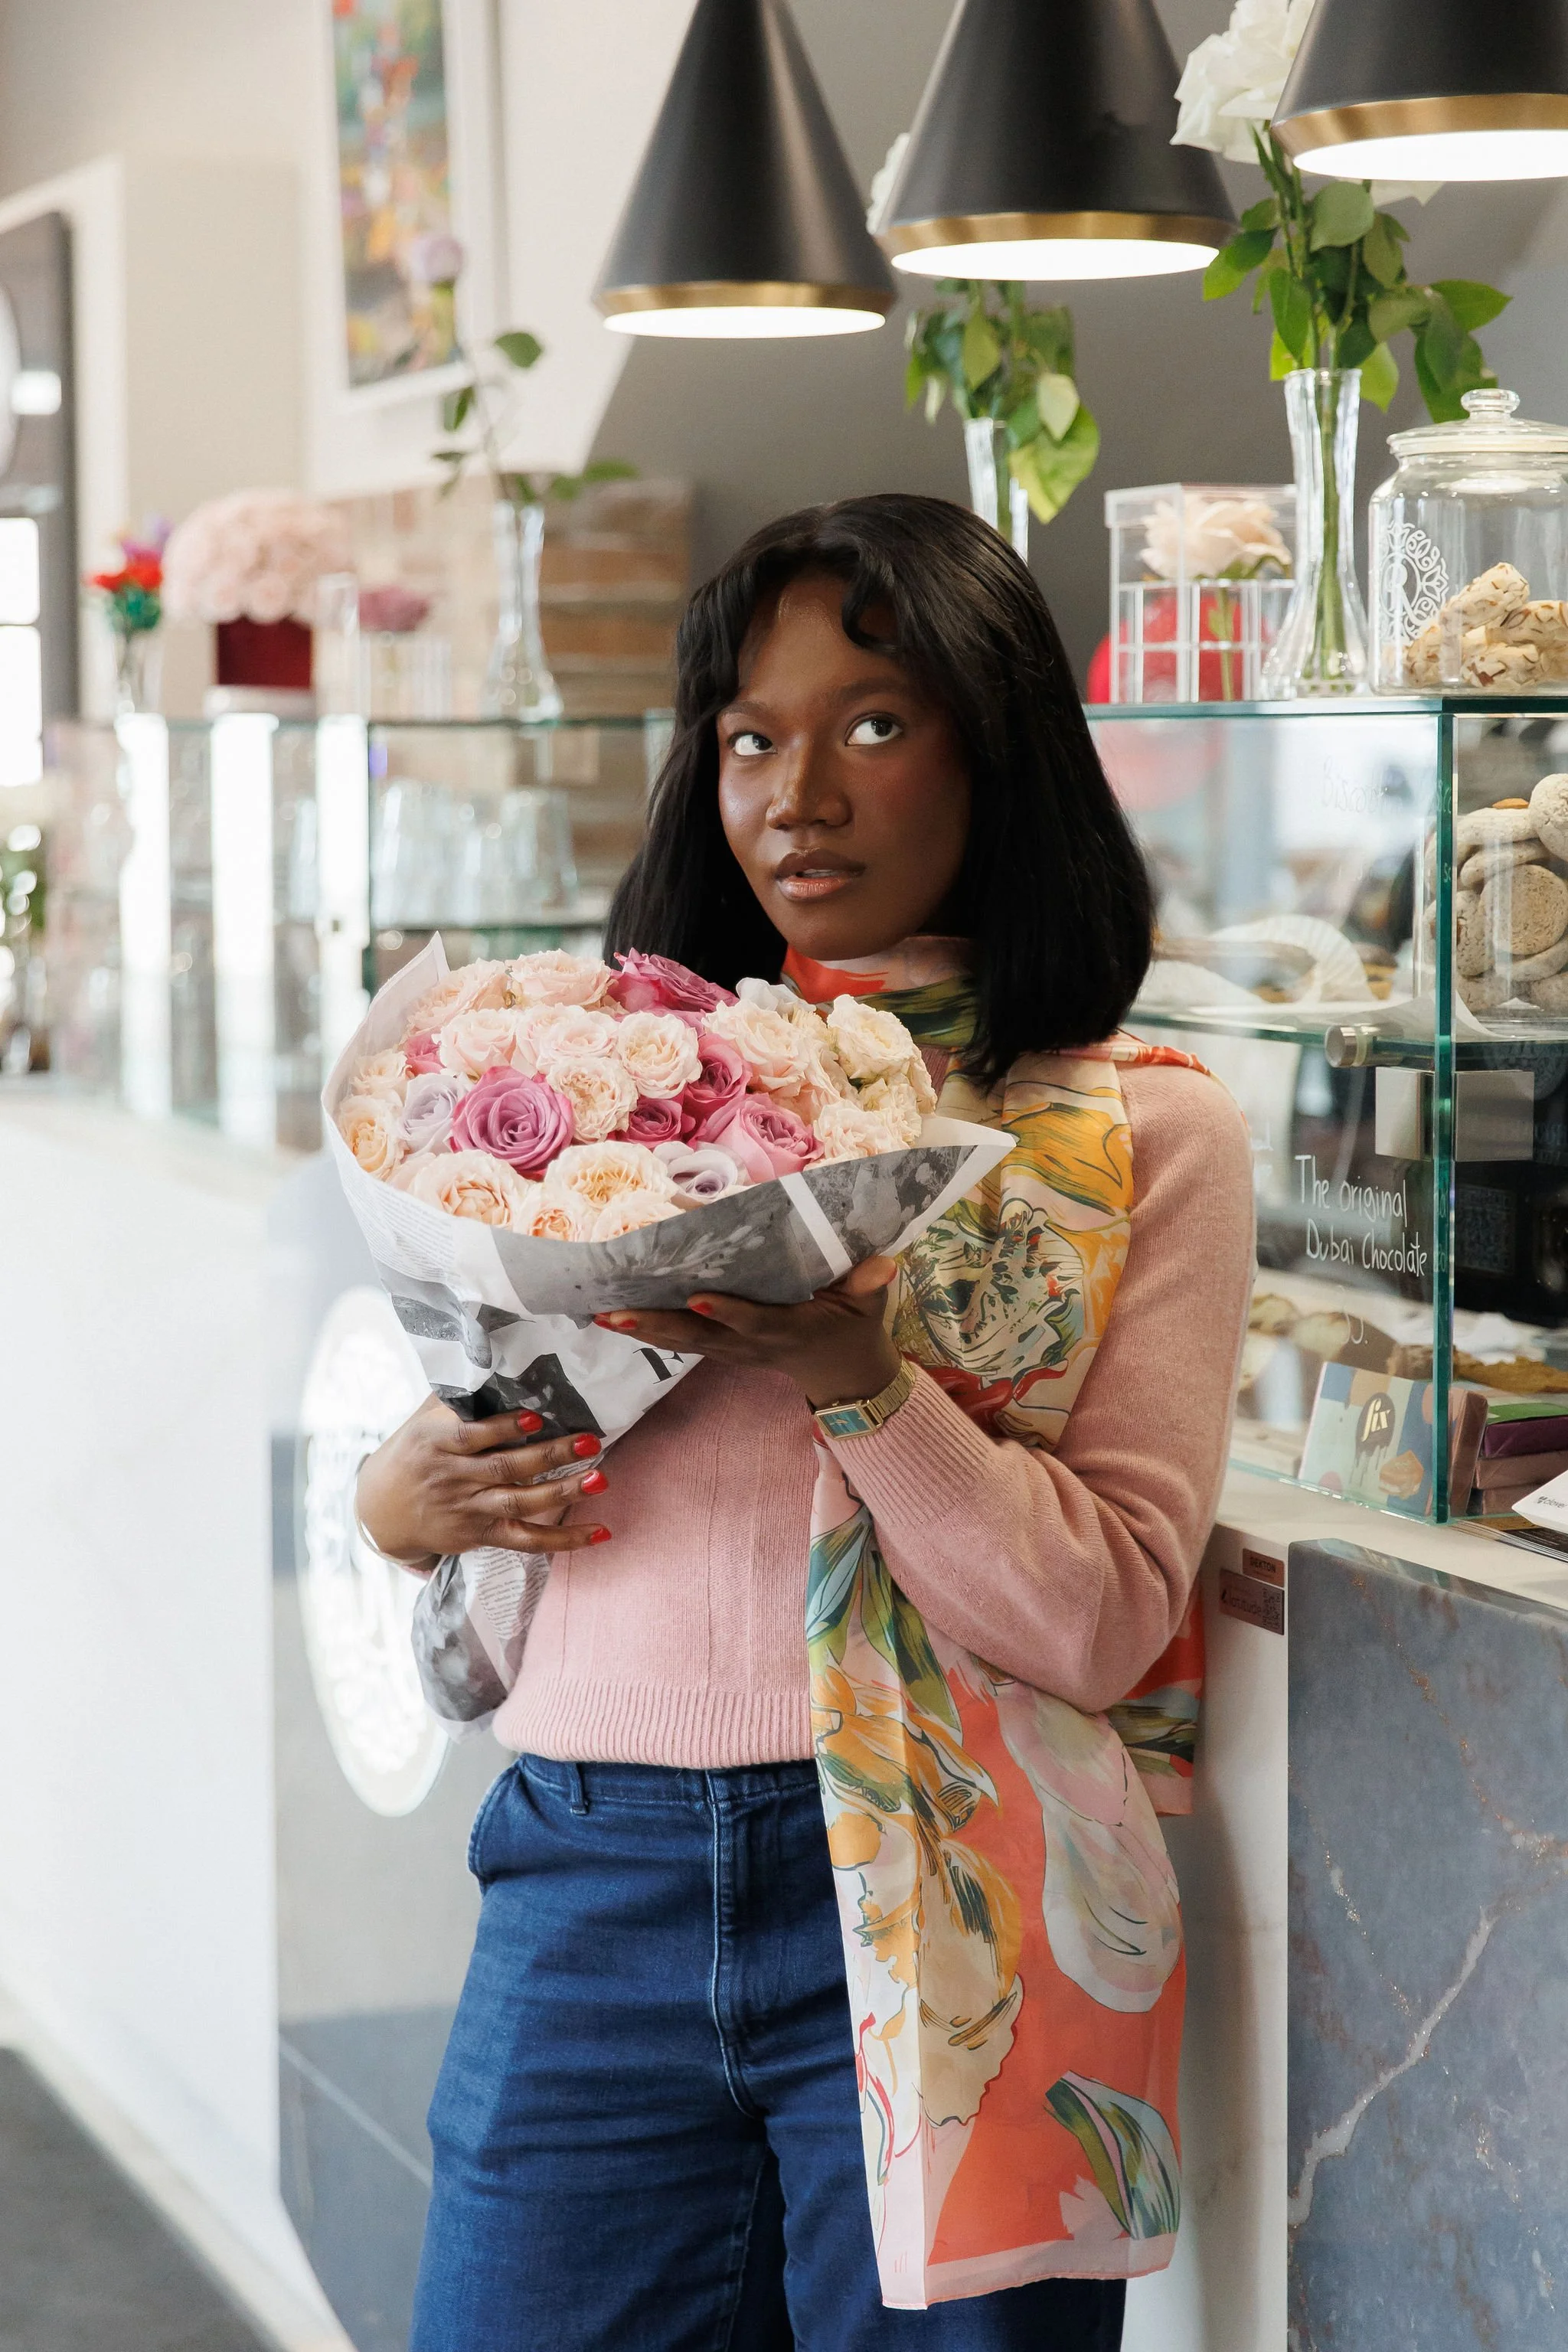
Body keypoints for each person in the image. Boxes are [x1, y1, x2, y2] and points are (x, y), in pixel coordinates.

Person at [358, 493, 1255, 2351]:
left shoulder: (1142, 1131)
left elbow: (1104, 1615)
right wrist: (403, 1493)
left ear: (995, 743)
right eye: (752, 738)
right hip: (586, 1866)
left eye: (871, 722)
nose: (799, 794)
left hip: (947, 1897)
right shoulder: (586, 1081)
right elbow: (480, 1439)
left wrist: (860, 1381)